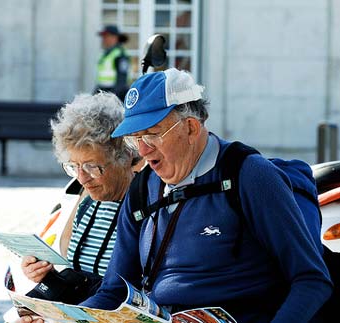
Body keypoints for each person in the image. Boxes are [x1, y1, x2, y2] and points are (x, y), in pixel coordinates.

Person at [78, 68, 333, 323]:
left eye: (152, 134)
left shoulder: (248, 175)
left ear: (190, 128)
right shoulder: (143, 188)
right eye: (135, 139)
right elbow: (113, 291)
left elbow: (311, 280)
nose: (143, 150)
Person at [18, 92, 141, 322]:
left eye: (92, 166)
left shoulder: (142, 206)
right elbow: (78, 274)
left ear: (124, 156)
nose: (83, 179)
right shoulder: (88, 201)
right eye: (74, 166)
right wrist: (47, 274)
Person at [94, 25, 130, 101]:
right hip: (104, 92)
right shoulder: (106, 54)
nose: (103, 39)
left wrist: (112, 98)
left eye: (106, 36)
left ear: (114, 38)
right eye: (103, 37)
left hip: (115, 94)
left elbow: (121, 80)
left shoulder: (120, 55)